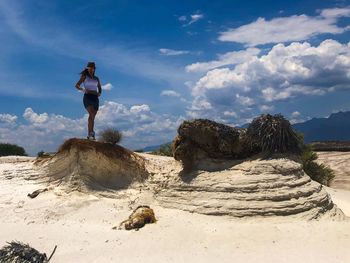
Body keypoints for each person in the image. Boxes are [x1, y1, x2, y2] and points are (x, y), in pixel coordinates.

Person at [75, 62, 102, 140]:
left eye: (92, 69)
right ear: (87, 68)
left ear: (94, 69)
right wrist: (83, 89)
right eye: (89, 68)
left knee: (93, 116)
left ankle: (91, 133)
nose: (90, 70)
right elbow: (77, 85)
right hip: (87, 97)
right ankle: (90, 133)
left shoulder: (96, 78)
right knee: (91, 113)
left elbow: (99, 87)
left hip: (95, 98)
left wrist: (99, 93)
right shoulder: (84, 76)